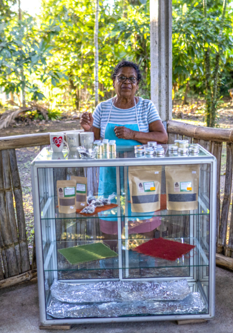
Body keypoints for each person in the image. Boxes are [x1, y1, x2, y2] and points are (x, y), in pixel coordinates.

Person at [79, 60, 167, 261]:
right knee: (110, 224)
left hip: (141, 176)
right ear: (114, 81)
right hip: (110, 176)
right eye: (122, 78)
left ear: (137, 84)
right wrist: (87, 130)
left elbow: (162, 137)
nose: (127, 82)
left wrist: (133, 134)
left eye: (132, 78)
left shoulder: (146, 106)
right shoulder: (103, 108)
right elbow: (93, 142)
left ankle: (143, 269)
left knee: (143, 224)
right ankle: (112, 267)